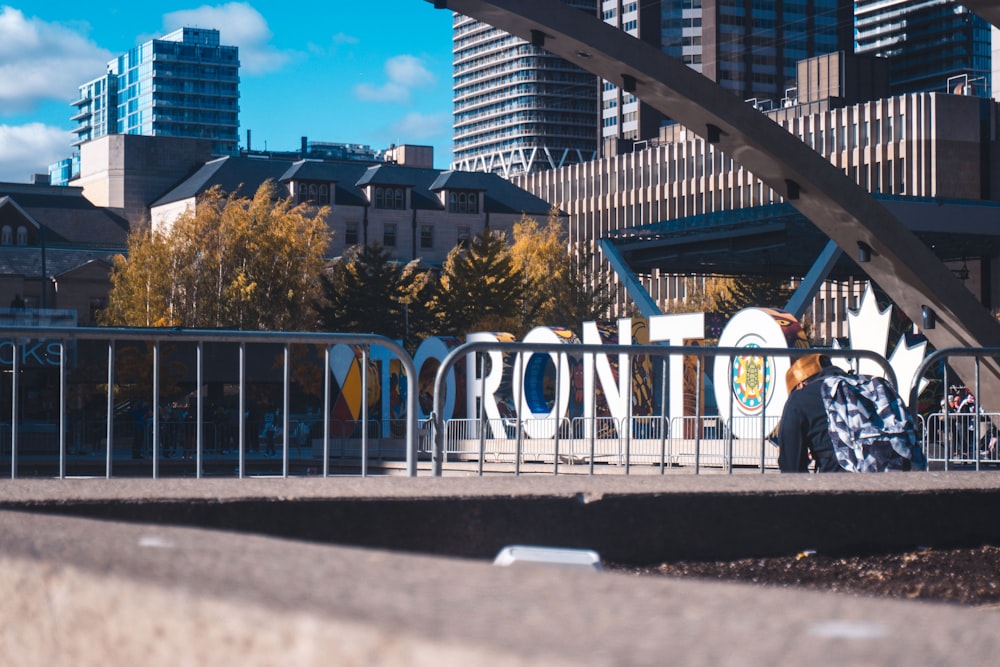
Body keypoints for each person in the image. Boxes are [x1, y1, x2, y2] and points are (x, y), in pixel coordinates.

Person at [777, 353, 846, 473]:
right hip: (887, 478)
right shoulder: (862, 385)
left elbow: (791, 468)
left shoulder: (800, 398)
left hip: (843, 484)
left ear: (800, 385)